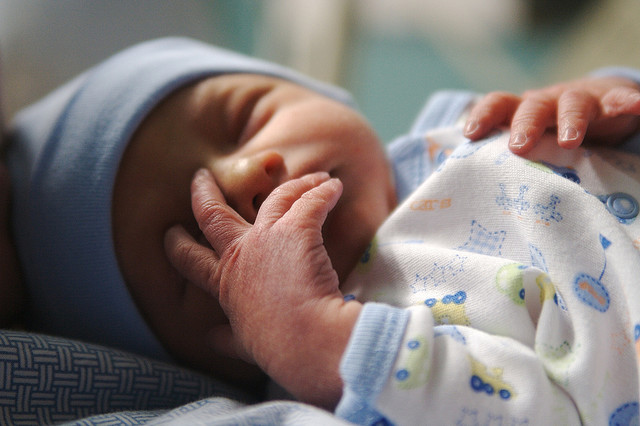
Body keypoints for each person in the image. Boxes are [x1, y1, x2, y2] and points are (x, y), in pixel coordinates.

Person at [5, 36, 640, 423]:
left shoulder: (471, 125)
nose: (247, 176)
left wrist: (604, 100)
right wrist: (321, 346)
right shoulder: (333, 387)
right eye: (199, 235)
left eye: (243, 120)